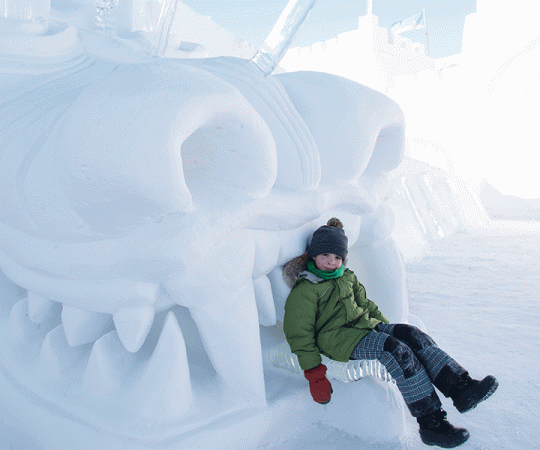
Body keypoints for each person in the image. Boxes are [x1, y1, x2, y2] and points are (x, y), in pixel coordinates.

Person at [283, 218, 498, 448]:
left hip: (363, 327)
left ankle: (461, 388)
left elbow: (366, 305)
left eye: (337, 257)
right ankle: (432, 424)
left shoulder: (346, 277)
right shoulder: (306, 290)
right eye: (325, 255)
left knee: (412, 334)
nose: (331, 262)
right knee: (396, 351)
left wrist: (389, 329)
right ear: (313, 255)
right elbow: (299, 334)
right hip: (337, 339)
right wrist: (315, 375)